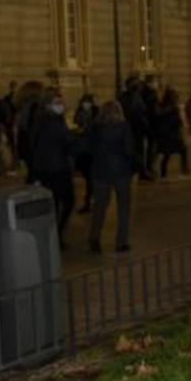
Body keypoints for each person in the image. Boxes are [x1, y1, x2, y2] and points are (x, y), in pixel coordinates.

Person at [85, 101, 136, 254]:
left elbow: (88, 147)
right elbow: (129, 149)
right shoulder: (123, 127)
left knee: (99, 207)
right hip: (121, 171)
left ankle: (94, 238)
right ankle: (121, 241)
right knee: (123, 207)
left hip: (100, 171)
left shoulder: (95, 128)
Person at [31, 92, 77, 246]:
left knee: (54, 204)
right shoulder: (56, 123)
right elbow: (69, 143)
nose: (61, 105)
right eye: (57, 103)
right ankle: (56, 233)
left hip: (45, 169)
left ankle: (53, 234)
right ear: (48, 106)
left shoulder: (40, 122)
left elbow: (34, 148)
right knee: (67, 202)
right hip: (58, 169)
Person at [120, 78, 153, 180]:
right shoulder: (131, 98)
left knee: (138, 150)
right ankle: (139, 171)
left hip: (134, 128)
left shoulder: (133, 97)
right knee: (136, 150)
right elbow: (137, 112)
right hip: (134, 128)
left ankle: (139, 170)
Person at [153, 87, 190, 179]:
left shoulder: (160, 106)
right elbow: (177, 122)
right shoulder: (174, 108)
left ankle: (163, 174)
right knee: (182, 151)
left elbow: (158, 119)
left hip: (164, 135)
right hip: (172, 135)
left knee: (167, 154)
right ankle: (184, 171)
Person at [73, 93, 98, 212]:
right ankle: (89, 201)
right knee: (88, 176)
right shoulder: (79, 111)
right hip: (82, 148)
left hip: (92, 149)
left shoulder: (96, 111)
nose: (86, 104)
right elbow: (76, 121)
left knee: (91, 177)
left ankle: (90, 201)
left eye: (89, 101)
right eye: (85, 101)